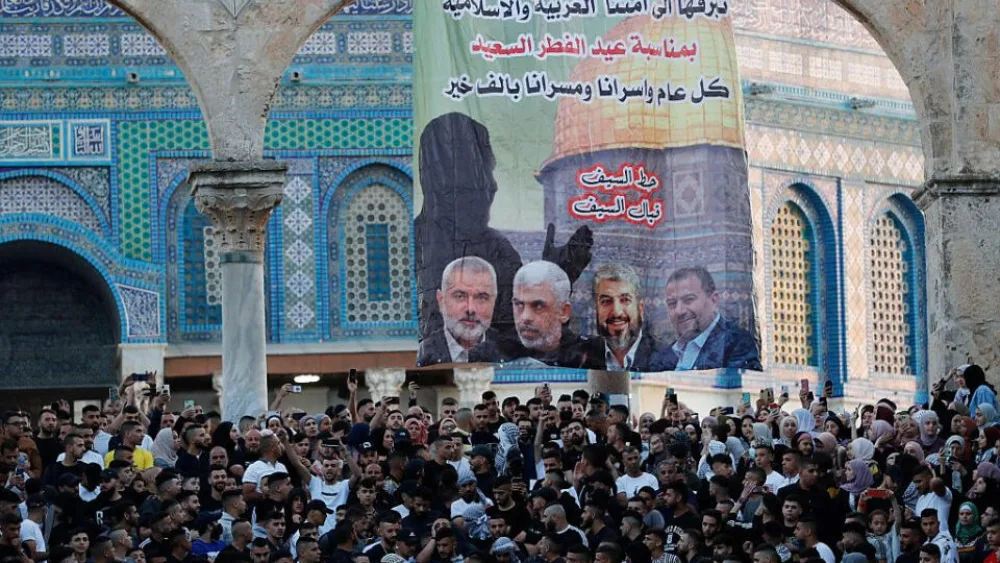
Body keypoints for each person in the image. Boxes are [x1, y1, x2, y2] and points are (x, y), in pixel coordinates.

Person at [415, 112, 592, 345]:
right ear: (446, 179)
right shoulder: (409, 247)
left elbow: (518, 338)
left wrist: (554, 278)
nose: (493, 185)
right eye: (483, 172)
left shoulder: (498, 251)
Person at [471, 261, 603, 369]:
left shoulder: (592, 356)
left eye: (538, 306)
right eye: (519, 305)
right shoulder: (487, 355)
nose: (525, 317)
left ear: (564, 311)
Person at [649, 267, 761, 371]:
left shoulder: (737, 345)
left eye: (688, 299)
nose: (679, 311)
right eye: (672, 303)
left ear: (714, 300)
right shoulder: (662, 357)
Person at [419, 257, 499, 365]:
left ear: (494, 302)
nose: (471, 309)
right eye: (460, 296)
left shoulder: (508, 355)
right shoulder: (420, 356)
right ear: (441, 300)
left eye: (481, 298)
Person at [591, 264, 659, 371]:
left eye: (625, 300)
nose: (617, 312)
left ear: (640, 308)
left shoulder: (663, 358)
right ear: (596, 309)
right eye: (606, 301)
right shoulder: (581, 358)